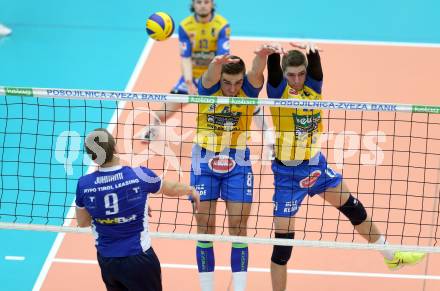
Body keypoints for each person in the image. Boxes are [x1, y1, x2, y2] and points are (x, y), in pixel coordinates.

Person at [265, 42, 426, 291]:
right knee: (283, 247)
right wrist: (273, 53)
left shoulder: (314, 89)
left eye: (301, 74)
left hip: (316, 167)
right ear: (284, 74)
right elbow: (273, 72)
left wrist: (312, 50)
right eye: (291, 75)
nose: (296, 79)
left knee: (353, 207)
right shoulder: (277, 93)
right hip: (287, 176)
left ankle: (392, 257)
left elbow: (317, 69)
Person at [75, 128, 200, 291]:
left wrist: (112, 214)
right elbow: (171, 187)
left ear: (92, 157)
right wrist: (191, 190)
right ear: (115, 148)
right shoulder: (139, 175)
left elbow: (83, 222)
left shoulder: (84, 184)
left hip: (108, 261)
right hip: (139, 259)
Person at [172, 0, 229, 95]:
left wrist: (212, 80)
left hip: (214, 76)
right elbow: (185, 58)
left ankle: (256, 110)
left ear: (212, 4)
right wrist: (189, 83)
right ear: (193, 4)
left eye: (206, 2)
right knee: (167, 107)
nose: (203, 5)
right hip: (192, 76)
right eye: (199, 2)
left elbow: (221, 58)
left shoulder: (222, 25)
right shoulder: (185, 26)